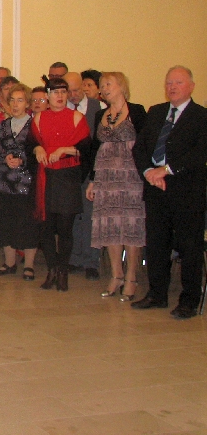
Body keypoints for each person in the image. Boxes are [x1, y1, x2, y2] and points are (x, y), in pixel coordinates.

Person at [131, 66, 207, 320]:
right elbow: (140, 148)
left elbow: (199, 153)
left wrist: (166, 170)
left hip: (186, 190)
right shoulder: (156, 112)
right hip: (155, 188)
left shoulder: (201, 116)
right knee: (156, 243)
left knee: (189, 246)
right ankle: (157, 294)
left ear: (191, 86)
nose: (172, 87)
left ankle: (189, 300)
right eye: (169, 82)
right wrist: (148, 172)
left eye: (178, 82)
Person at [85, 72, 146, 301]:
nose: (104, 88)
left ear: (121, 86)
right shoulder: (100, 114)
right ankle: (116, 274)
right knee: (109, 226)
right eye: (101, 85)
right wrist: (93, 180)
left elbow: (145, 144)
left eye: (108, 84)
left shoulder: (137, 111)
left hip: (131, 178)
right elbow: (95, 148)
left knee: (130, 226)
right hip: (105, 177)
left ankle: (131, 277)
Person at [31, 78, 91, 292]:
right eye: (55, 92)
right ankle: (52, 269)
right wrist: (37, 148)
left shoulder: (77, 117)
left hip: (67, 178)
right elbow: (31, 143)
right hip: (46, 177)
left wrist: (64, 149)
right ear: (48, 95)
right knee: (46, 228)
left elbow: (86, 148)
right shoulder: (39, 118)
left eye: (63, 92)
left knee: (65, 228)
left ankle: (63, 270)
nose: (60, 96)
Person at [0, 83, 39, 280]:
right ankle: (9, 262)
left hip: (26, 183)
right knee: (5, 222)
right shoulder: (3, 125)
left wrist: (21, 160)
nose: (16, 104)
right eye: (12, 100)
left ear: (27, 103)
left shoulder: (35, 124)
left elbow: (37, 152)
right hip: (4, 181)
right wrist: (6, 158)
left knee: (27, 224)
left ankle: (29, 265)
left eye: (20, 100)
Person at [65, 71, 105, 280]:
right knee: (72, 216)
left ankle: (91, 261)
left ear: (84, 87)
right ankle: (74, 258)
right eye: (69, 91)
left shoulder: (99, 108)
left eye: (76, 90)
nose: (73, 95)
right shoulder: (62, 109)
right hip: (69, 171)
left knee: (91, 217)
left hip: (91, 170)